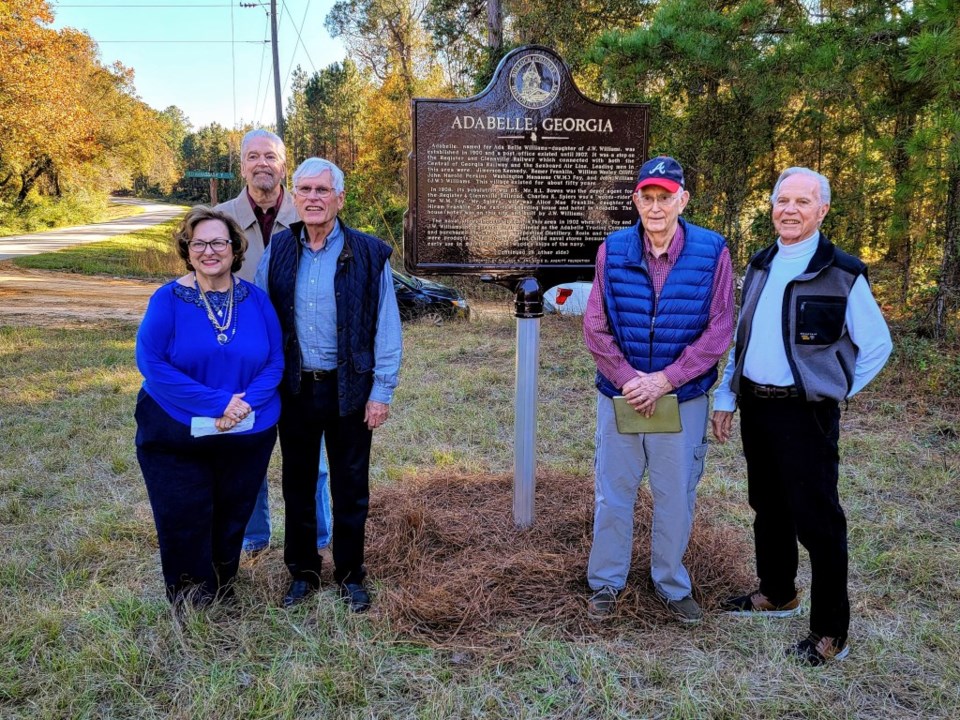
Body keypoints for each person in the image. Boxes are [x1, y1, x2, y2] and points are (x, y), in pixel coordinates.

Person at [712, 167, 892, 666]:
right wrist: (728, 395)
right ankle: (777, 593)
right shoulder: (762, 264)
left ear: (822, 210)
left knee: (818, 521)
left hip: (806, 413)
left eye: (802, 202)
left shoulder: (842, 272)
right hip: (757, 406)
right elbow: (743, 340)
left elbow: (877, 345)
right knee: (767, 506)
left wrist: (832, 388)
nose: (789, 210)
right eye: (781, 200)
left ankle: (831, 630)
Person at [583, 156, 735, 622]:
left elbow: (720, 327)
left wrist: (666, 379)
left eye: (664, 197)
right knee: (614, 492)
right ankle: (607, 581)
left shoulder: (713, 251)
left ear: (682, 199)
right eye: (647, 198)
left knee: (676, 495)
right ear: (636, 201)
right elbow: (594, 325)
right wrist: (630, 380)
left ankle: (670, 582)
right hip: (621, 397)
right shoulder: (612, 249)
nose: (655, 207)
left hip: (682, 397)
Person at [256, 157, 402, 612]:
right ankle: (302, 573)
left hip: (350, 391)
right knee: (297, 486)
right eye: (305, 190)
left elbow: (387, 327)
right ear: (293, 198)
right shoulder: (278, 250)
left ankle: (350, 574)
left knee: (350, 487)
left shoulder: (369, 251)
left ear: (339, 198)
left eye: (323, 190)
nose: (314, 198)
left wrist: (381, 391)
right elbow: (261, 318)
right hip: (296, 389)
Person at [134, 206, 283, 606]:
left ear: (235, 248)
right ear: (187, 249)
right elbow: (151, 363)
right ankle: (190, 595)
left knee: (233, 511)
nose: (209, 251)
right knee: (184, 511)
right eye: (198, 243)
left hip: (247, 429)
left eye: (219, 242)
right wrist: (219, 402)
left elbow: (275, 361)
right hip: (175, 427)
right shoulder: (167, 300)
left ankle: (222, 583)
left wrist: (243, 404)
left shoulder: (256, 300)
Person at [215, 128, 332, 555]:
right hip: (243, 362)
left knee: (312, 460)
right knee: (246, 454)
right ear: (241, 165)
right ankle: (252, 538)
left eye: (271, 156)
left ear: (284, 164)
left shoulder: (310, 209)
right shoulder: (220, 218)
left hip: (302, 360)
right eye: (252, 156)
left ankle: (319, 537)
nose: (261, 164)